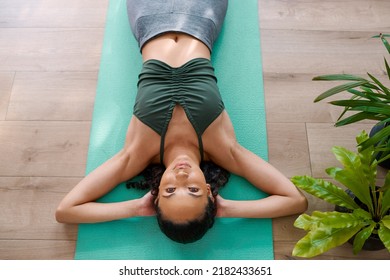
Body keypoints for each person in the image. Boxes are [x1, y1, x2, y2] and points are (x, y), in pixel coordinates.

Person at [56, 0, 307, 244]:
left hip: (149, 17)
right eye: (194, 191)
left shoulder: (135, 155)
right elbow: (295, 200)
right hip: (201, 15)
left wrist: (136, 208)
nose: (181, 177)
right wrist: (226, 209)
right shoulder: (225, 150)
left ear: (155, 196)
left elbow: (66, 210)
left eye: (170, 191)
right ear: (209, 191)